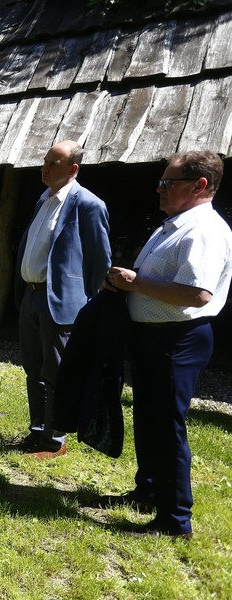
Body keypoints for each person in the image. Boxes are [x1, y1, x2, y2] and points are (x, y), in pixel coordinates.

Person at [104, 151, 232, 539]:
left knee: (166, 426)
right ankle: (149, 492)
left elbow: (197, 294)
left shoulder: (204, 230)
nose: (159, 189)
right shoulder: (177, 223)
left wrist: (133, 282)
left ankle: (176, 521)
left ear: (200, 186)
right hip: (154, 336)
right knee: (148, 419)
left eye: (168, 183)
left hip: (178, 340)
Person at [14, 140, 111, 458]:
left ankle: (54, 440)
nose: (44, 167)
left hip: (60, 302)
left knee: (56, 372)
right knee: (34, 369)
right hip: (31, 295)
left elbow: (100, 261)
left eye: (53, 163)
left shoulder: (88, 204)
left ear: (72, 169)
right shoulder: (43, 201)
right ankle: (37, 431)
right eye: (44, 161)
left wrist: (88, 302)